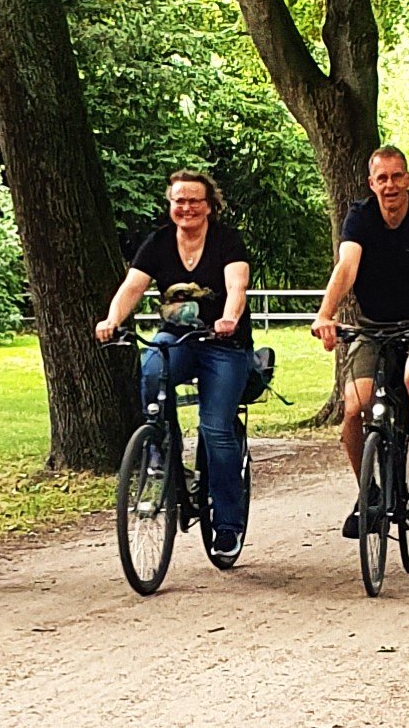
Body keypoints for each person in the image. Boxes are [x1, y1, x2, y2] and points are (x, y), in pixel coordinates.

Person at [94, 169, 254, 551]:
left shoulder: (227, 241)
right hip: (178, 338)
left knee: (216, 430)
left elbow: (237, 286)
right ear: (170, 204)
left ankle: (227, 526)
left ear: (209, 206)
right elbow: (132, 286)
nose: (187, 207)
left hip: (223, 344)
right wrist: (112, 320)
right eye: (179, 200)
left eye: (195, 200)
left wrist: (229, 318)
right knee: (152, 365)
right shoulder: (159, 242)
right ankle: (162, 447)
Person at [312, 144, 409, 531]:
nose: (390, 185)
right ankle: (368, 492)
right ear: (371, 183)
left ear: (408, 179)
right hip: (372, 326)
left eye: (396, 177)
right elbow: (347, 265)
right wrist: (325, 314)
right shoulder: (360, 216)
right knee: (354, 407)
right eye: (382, 179)